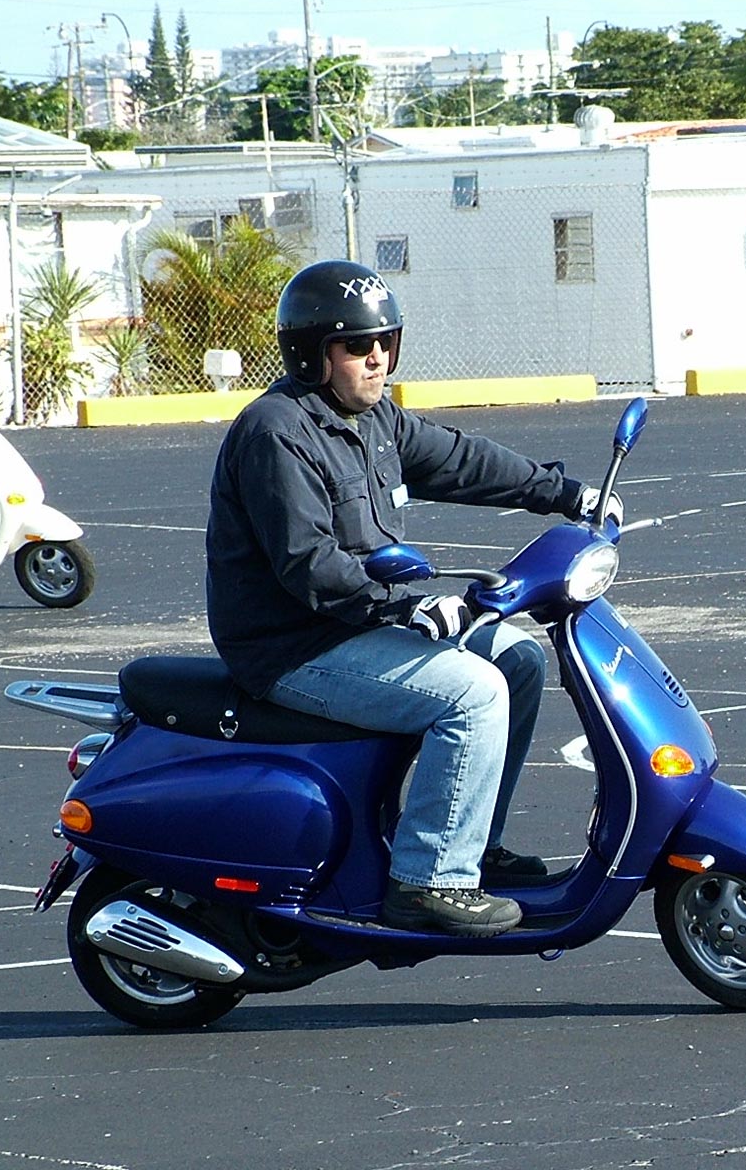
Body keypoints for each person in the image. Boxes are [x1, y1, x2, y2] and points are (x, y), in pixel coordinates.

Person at [206, 259, 619, 938]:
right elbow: (309, 564)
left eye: (385, 342)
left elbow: (459, 459)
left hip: (354, 624)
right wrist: (404, 608)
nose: (376, 358)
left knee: (516, 658)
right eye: (356, 346)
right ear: (311, 354)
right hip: (295, 647)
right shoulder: (277, 433)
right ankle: (428, 881)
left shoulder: (374, 419)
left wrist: (568, 494)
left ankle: (473, 845)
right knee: (473, 693)